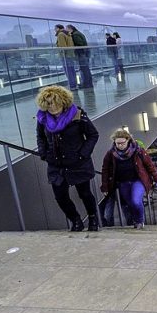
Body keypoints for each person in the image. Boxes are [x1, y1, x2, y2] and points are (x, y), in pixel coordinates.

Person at [35, 85, 99, 231]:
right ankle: (76, 220)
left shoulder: (78, 115)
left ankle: (93, 218)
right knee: (60, 196)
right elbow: (40, 136)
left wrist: (83, 154)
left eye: (55, 102)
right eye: (49, 103)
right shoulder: (42, 118)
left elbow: (93, 135)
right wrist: (43, 152)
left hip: (78, 163)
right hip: (56, 164)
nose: (52, 107)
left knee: (85, 193)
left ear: (63, 101)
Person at [100, 129, 157, 229]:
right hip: (122, 182)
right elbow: (105, 170)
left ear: (128, 140)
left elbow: (149, 165)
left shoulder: (137, 150)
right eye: (117, 143)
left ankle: (140, 221)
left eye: (122, 143)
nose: (120, 145)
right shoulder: (111, 153)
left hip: (137, 180)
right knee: (129, 204)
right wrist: (105, 187)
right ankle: (135, 219)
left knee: (136, 201)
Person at [54, 24, 77, 89]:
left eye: (55, 29)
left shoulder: (61, 34)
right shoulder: (68, 34)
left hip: (66, 56)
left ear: (58, 28)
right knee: (72, 71)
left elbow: (62, 46)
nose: (54, 30)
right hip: (70, 55)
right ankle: (74, 85)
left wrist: (62, 55)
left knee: (68, 71)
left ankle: (72, 86)